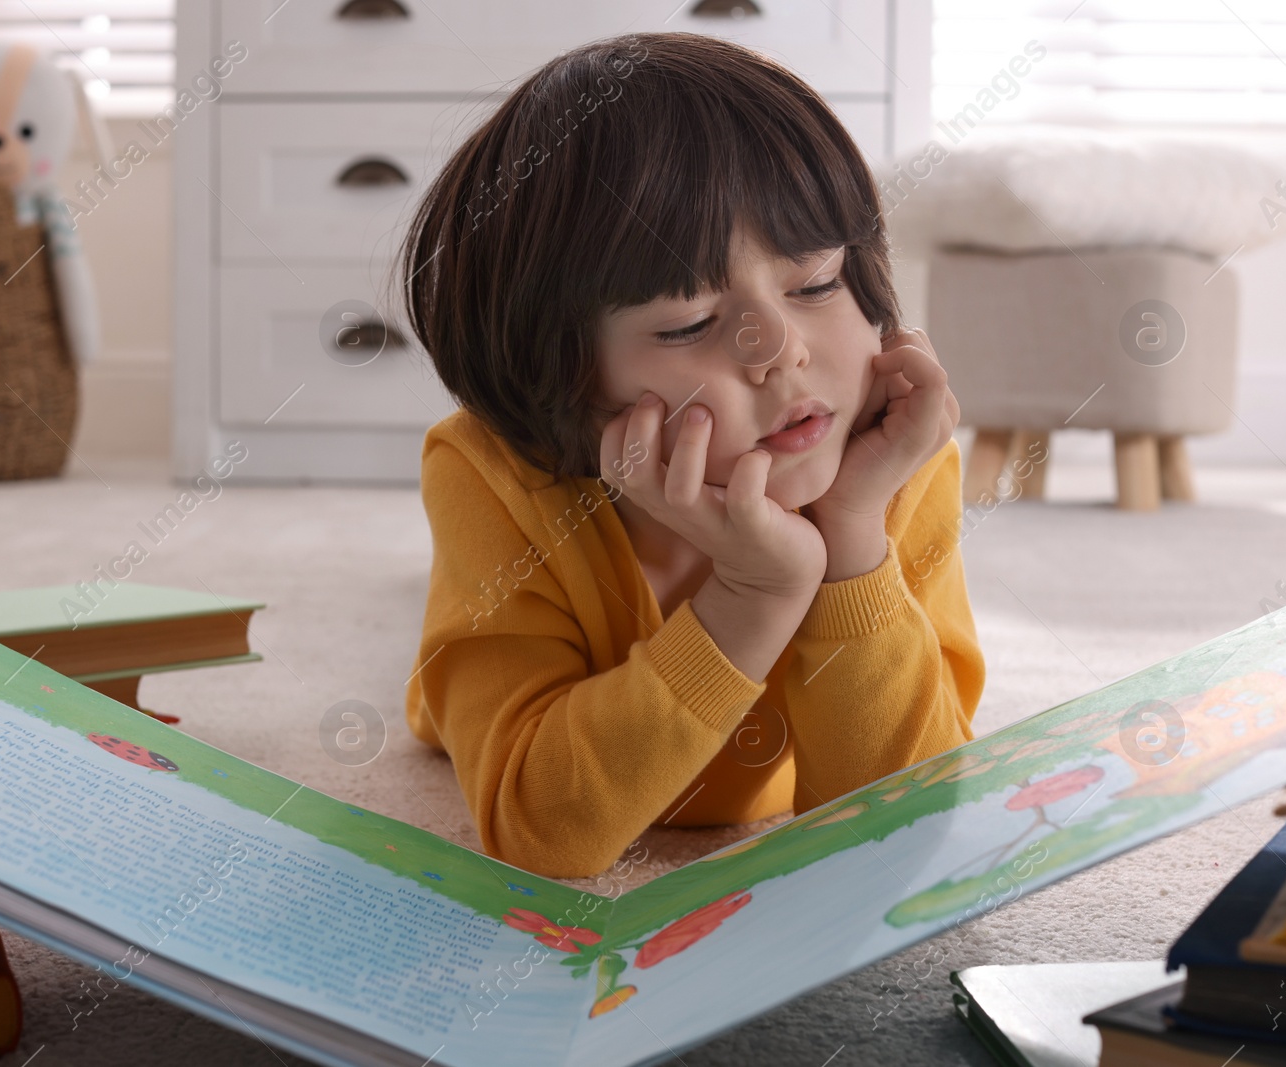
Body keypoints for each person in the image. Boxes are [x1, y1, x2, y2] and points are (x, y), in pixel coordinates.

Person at [397, 31, 984, 879]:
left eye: (816, 282)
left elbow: (911, 824)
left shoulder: (891, 453)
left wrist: (851, 538)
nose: (778, 349)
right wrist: (752, 593)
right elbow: (542, 834)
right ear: (564, 380)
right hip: (519, 650)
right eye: (688, 324)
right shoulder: (494, 474)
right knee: (460, 670)